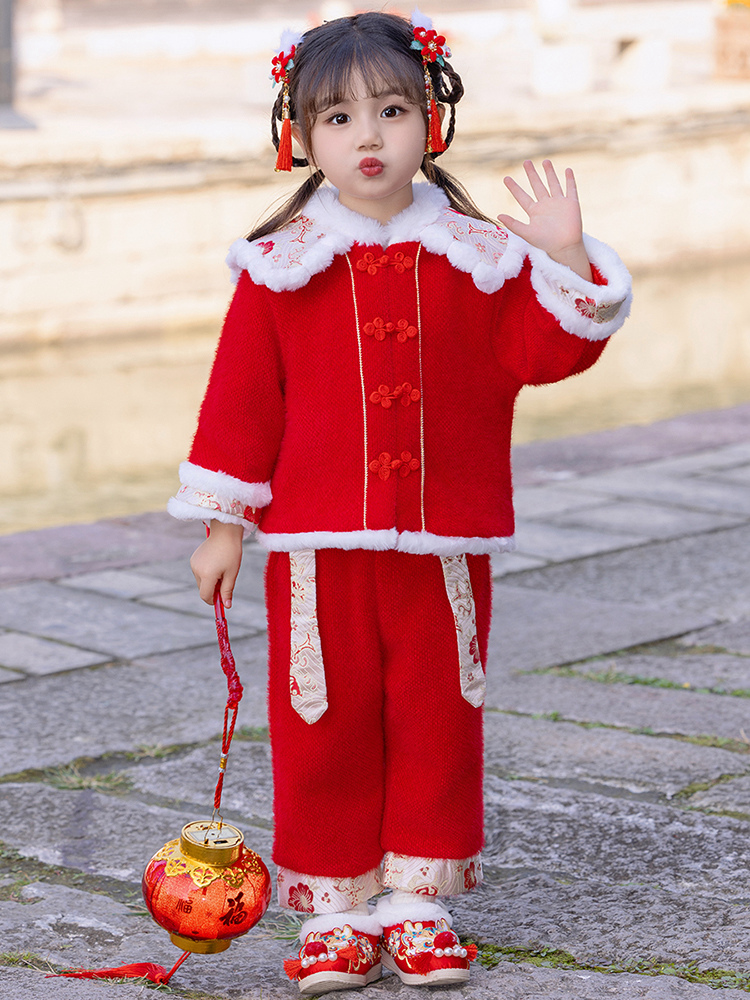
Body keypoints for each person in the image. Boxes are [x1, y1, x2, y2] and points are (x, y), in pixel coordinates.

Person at [169, 9, 631, 995]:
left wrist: (568, 257)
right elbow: (242, 404)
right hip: (315, 544)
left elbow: (545, 352)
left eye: (391, 110)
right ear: (299, 137)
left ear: (434, 122)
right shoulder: (280, 266)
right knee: (320, 715)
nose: (368, 136)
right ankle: (335, 908)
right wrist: (224, 527)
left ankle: (419, 899)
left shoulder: (481, 257)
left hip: (444, 541)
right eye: (338, 118)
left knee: (438, 711)